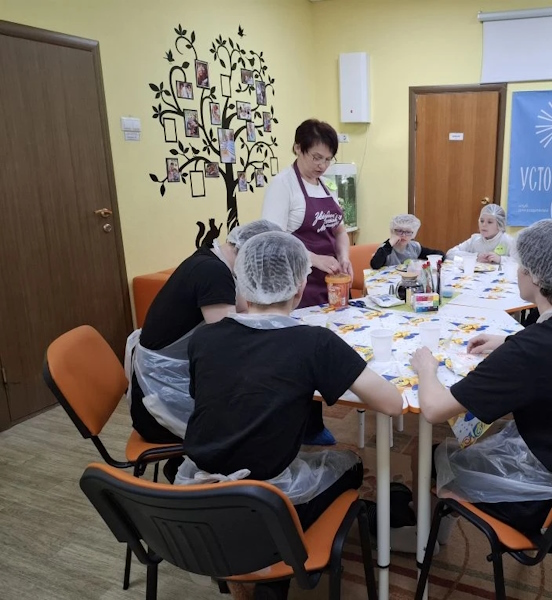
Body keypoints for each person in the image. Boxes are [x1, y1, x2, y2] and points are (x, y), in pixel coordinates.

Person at [180, 232, 403, 600]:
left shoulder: (204, 337)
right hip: (270, 499)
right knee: (351, 463)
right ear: (300, 286)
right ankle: (272, 572)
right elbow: (392, 404)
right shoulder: (314, 342)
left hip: (195, 495)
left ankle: (242, 559)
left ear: (242, 282)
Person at [409, 219, 552, 547]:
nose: (517, 271)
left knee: (428, 455)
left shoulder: (532, 349)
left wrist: (426, 368)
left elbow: (434, 409)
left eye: (521, 266)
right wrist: (508, 341)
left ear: (536, 277)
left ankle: (424, 540)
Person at [128, 219, 282, 446]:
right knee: (263, 406)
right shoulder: (213, 273)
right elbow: (226, 346)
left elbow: (242, 309)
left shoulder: (212, 258)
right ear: (251, 254)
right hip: (159, 406)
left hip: (163, 385)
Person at [261, 119, 352, 445]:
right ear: (297, 149)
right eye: (316, 157)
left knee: (320, 348)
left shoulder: (326, 187)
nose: (322, 165)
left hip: (327, 283)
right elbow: (273, 238)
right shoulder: (283, 186)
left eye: (328, 159)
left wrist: (344, 255)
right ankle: (304, 428)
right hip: (294, 285)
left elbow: (339, 229)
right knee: (298, 356)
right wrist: (314, 259)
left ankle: (313, 423)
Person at [446, 204, 516, 264]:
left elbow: (519, 262)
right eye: (482, 221)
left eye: (490, 222)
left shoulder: (508, 241)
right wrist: (475, 257)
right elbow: (450, 254)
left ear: (499, 225)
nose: (484, 225)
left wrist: (500, 259)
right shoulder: (475, 239)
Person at [369, 214, 444, 269]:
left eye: (408, 232)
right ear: (392, 231)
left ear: (413, 233)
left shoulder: (414, 247)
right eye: (399, 231)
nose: (403, 235)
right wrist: (389, 244)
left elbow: (440, 254)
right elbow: (375, 265)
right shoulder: (385, 248)